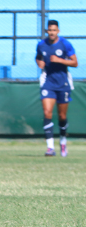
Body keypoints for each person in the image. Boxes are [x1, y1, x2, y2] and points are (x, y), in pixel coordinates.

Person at [36, 20, 76, 157]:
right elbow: (38, 57)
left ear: (58, 31)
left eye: (54, 30)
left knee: (61, 116)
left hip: (63, 83)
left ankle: (63, 141)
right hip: (48, 83)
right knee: (47, 112)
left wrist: (60, 60)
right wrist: (39, 62)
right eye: (49, 30)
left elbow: (75, 62)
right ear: (47, 31)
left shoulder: (65, 44)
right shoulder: (41, 45)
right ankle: (50, 147)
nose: (52, 32)